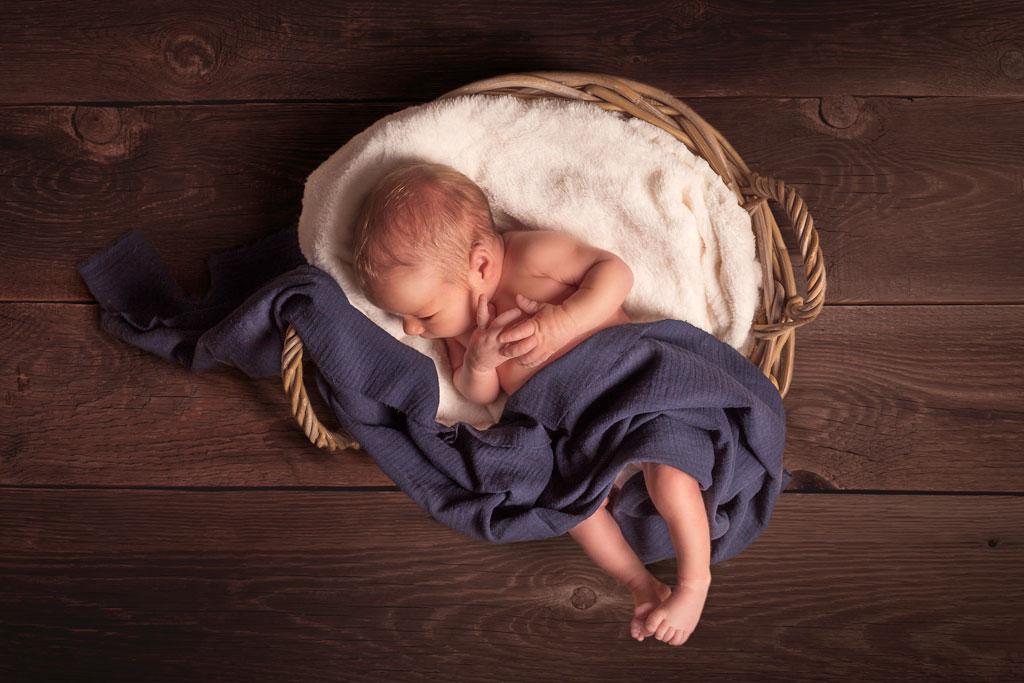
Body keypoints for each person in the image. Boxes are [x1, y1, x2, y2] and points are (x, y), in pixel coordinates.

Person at [351, 160, 712, 646]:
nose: (411, 329)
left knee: (668, 474)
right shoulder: (462, 333)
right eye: (405, 319)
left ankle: (694, 583)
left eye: (422, 313)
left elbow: (614, 274)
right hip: (570, 433)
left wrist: (562, 322)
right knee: (571, 511)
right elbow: (480, 394)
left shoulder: (532, 254)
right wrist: (477, 364)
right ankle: (641, 586)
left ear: (480, 265)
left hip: (630, 391)